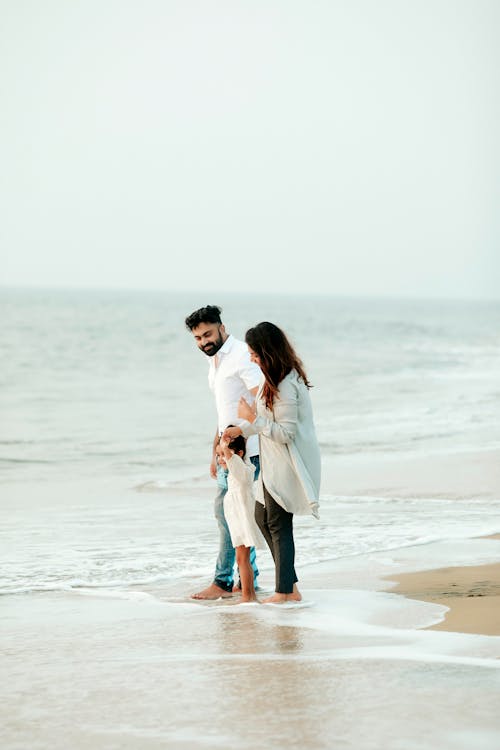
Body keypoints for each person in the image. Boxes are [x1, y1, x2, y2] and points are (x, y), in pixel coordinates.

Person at [223, 322, 321, 604]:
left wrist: (253, 419)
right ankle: (290, 587)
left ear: (268, 352)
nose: (252, 359)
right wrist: (241, 428)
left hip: (288, 465)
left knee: (278, 523)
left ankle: (284, 592)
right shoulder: (272, 378)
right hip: (272, 464)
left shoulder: (287, 383)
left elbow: (285, 432)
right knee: (261, 516)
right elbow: (267, 424)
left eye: (255, 353)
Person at [185, 305, 262, 599]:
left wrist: (239, 437)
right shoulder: (215, 362)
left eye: (207, 334)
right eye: (197, 338)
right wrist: (213, 451)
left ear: (221, 326)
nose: (203, 341)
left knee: (228, 515)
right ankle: (246, 579)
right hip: (225, 453)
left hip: (246, 454)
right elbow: (223, 412)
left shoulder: (241, 355)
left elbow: (262, 401)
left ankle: (222, 581)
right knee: (235, 515)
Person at [217, 431, 265, 603]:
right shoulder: (236, 469)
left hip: (241, 517)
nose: (221, 458)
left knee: (242, 559)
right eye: (219, 455)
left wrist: (227, 447)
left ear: (239, 453)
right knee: (243, 559)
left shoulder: (238, 467)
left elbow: (231, 457)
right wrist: (225, 447)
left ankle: (247, 596)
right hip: (237, 516)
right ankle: (250, 594)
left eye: (224, 454)